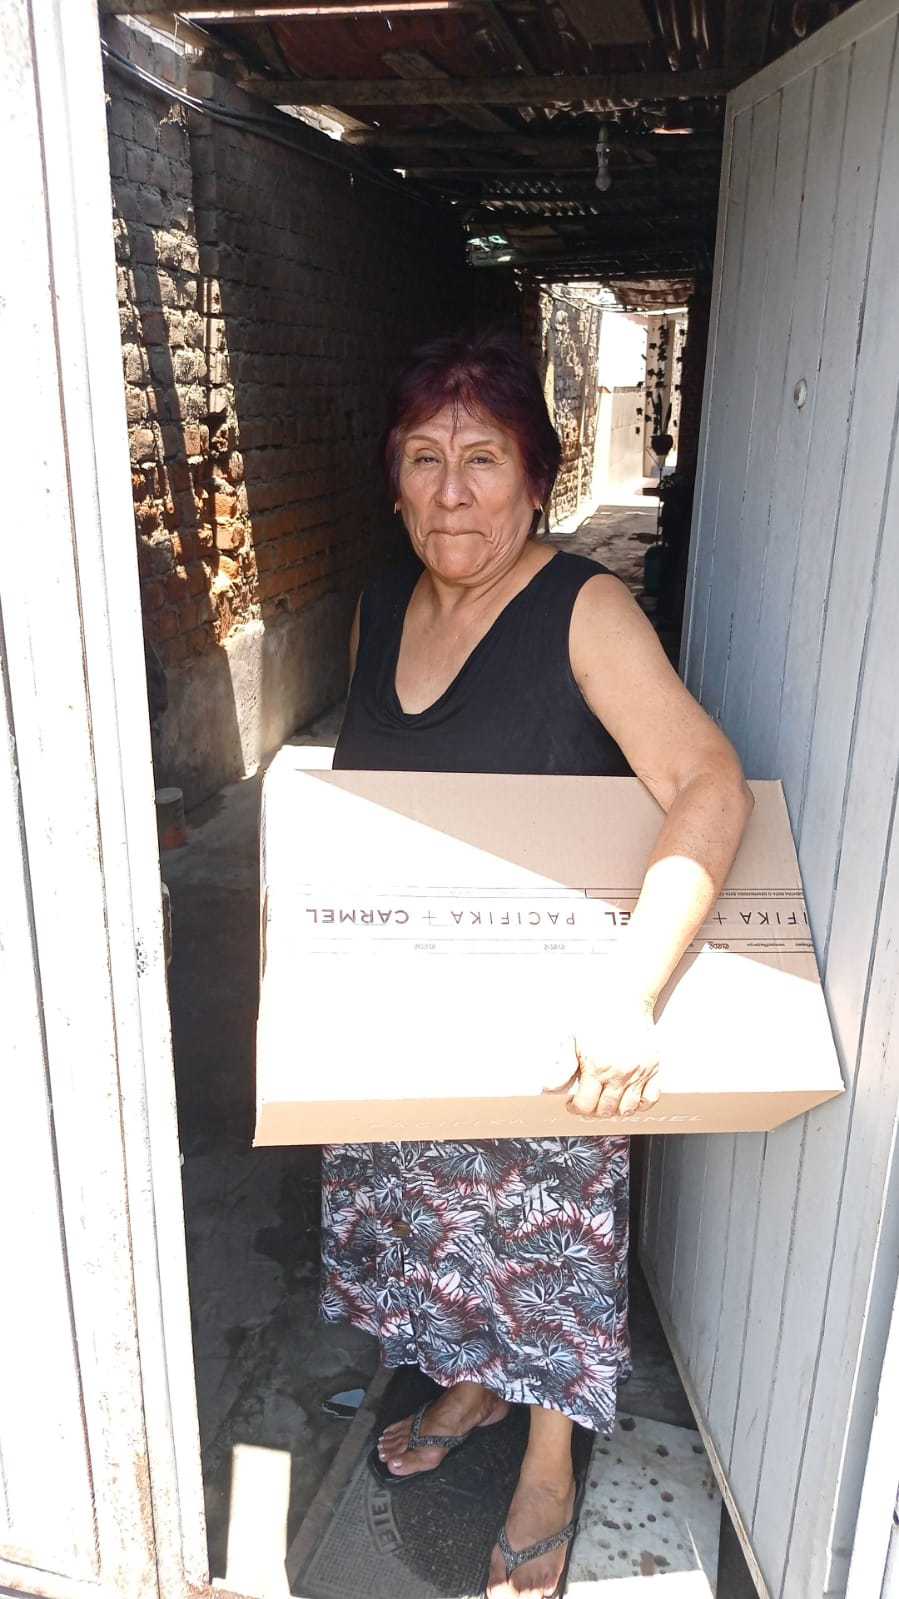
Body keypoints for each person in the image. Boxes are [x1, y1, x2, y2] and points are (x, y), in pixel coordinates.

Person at [319, 328, 753, 1599]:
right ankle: (471, 1382)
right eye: (424, 458)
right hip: (416, 1004)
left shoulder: (582, 610)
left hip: (554, 1007)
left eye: (484, 460)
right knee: (432, 1222)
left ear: (535, 479)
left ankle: (549, 1460)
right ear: (392, 478)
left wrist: (629, 994)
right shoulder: (380, 607)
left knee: (542, 1237)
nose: (452, 493)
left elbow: (707, 784)